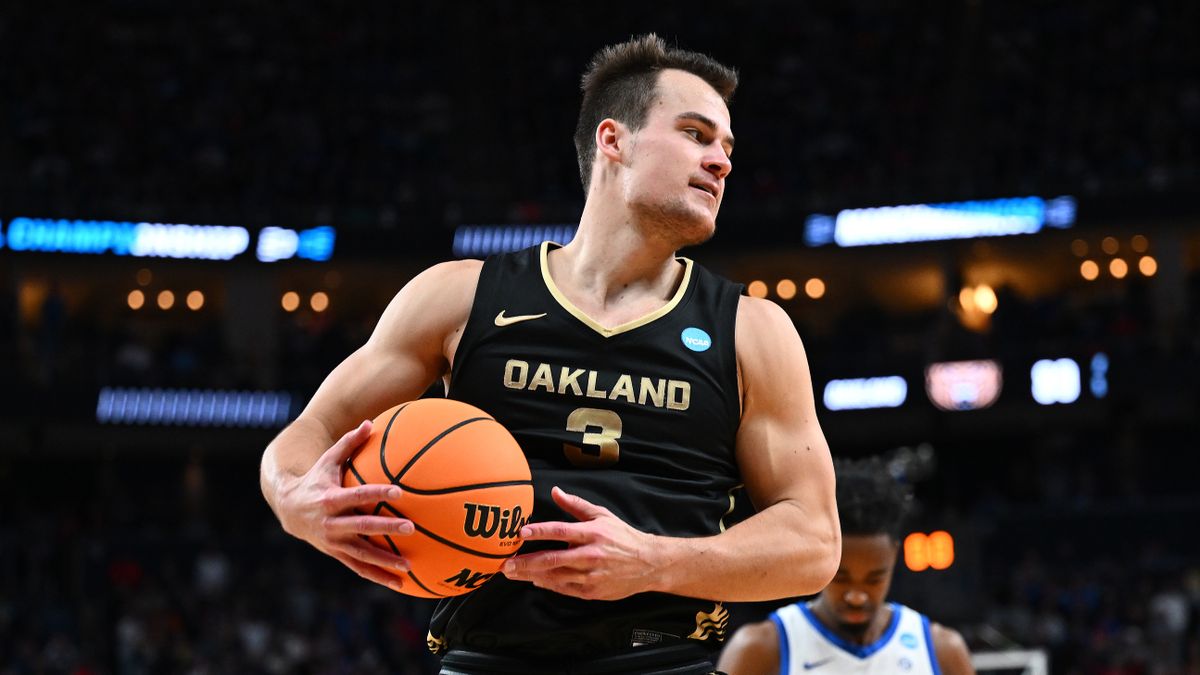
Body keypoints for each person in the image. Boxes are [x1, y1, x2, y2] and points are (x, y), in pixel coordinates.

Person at [259, 33, 839, 674]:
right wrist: (294, 502)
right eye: (697, 134)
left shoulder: (751, 330)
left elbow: (813, 542)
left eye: (728, 147)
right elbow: (307, 433)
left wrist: (653, 561)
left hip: (665, 660)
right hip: (486, 658)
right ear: (613, 140)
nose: (722, 162)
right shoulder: (462, 296)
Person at [716, 458, 975, 675]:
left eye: (874, 579)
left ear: (894, 557)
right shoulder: (760, 649)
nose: (857, 596)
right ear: (819, 558)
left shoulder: (942, 650)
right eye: (840, 578)